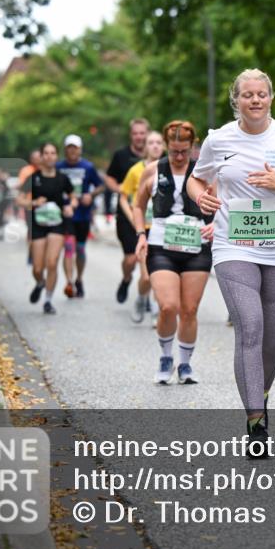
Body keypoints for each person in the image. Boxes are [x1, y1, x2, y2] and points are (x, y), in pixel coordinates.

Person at [189, 68, 275, 459]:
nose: (255, 100)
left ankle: (260, 393)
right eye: (247, 94)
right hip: (234, 247)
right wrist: (201, 197)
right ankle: (255, 421)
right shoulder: (219, 139)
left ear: (271, 97)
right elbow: (195, 180)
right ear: (236, 100)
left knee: (273, 338)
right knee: (249, 326)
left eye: (261, 94)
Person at [134, 121, 214, 385]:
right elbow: (138, 206)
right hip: (161, 246)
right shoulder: (152, 171)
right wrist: (140, 235)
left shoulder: (204, 173)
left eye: (184, 151)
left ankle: (186, 364)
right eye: (174, 151)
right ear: (167, 147)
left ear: (193, 147)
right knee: (169, 306)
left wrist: (215, 224)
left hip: (196, 246)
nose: (179, 157)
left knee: (189, 309)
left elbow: (221, 204)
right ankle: (166, 356)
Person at [20, 143, 75, 314]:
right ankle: (40, 283)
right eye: (46, 153)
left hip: (57, 224)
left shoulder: (62, 178)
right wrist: (33, 202)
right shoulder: (34, 177)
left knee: (52, 263)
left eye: (53, 153)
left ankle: (48, 300)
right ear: (42, 157)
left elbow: (73, 198)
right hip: (38, 225)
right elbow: (20, 199)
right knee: (37, 268)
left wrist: (70, 207)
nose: (50, 156)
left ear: (56, 156)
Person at [121, 130, 165, 323]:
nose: (155, 146)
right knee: (146, 277)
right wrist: (132, 216)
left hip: (163, 227)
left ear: (163, 146)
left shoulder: (171, 168)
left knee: (161, 272)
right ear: (145, 147)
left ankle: (158, 311)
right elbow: (123, 195)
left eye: (158, 142)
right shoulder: (136, 170)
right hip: (143, 228)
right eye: (151, 143)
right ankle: (141, 299)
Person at [105, 118, 149, 303]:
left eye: (142, 133)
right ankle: (126, 279)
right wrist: (121, 190)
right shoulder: (120, 155)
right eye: (135, 133)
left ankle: (146, 297)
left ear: (147, 134)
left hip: (150, 215)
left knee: (147, 259)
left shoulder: (158, 155)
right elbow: (109, 179)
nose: (139, 137)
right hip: (126, 214)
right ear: (131, 135)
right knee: (131, 259)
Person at [57, 134, 104, 298]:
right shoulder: (58, 167)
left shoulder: (88, 167)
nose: (72, 151)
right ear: (65, 150)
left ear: (80, 150)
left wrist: (90, 195)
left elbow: (100, 186)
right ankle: (69, 282)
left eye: (75, 147)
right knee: (68, 248)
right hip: (65, 214)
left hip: (83, 215)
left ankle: (79, 279)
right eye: (69, 147)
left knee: (80, 249)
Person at [17, 149, 42, 265]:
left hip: (44, 208)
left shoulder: (45, 171)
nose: (37, 159)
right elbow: (21, 187)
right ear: (31, 159)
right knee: (32, 231)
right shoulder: (26, 171)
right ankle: (32, 251)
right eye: (35, 157)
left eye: (39, 157)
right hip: (30, 206)